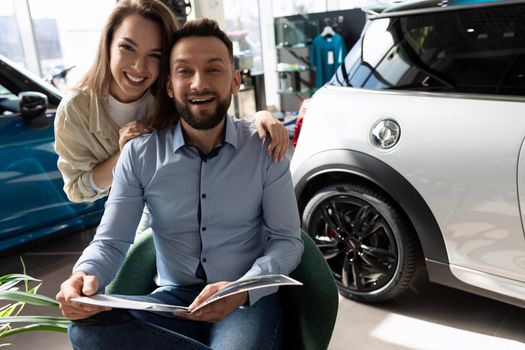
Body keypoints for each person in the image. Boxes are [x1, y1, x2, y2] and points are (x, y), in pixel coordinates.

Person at [56, 18, 304, 350]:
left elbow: (287, 241)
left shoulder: (264, 149)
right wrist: (84, 273)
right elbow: (112, 241)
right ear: (170, 85)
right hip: (172, 300)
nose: (199, 83)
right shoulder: (139, 155)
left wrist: (244, 288)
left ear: (234, 81)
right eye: (185, 71)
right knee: (85, 332)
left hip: (243, 300)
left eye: (213, 70)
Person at [54, 0, 289, 206]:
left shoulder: (167, 95)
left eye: (154, 55)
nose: (138, 66)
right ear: (107, 45)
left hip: (182, 207)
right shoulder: (76, 108)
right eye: (128, 48)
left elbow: (210, 123)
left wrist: (259, 118)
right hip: (131, 213)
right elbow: (76, 189)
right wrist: (124, 158)